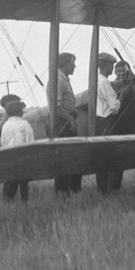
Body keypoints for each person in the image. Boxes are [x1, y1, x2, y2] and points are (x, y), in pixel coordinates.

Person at [94, 53, 124, 194]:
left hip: (100, 123)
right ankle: (113, 190)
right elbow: (114, 107)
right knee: (115, 158)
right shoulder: (104, 82)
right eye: (111, 65)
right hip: (108, 122)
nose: (112, 69)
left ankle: (103, 190)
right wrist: (123, 93)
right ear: (105, 65)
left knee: (103, 159)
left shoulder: (97, 81)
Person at [53, 52, 82, 195]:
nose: (74, 66)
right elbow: (56, 108)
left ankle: (72, 189)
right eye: (72, 63)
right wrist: (70, 119)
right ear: (65, 64)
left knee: (73, 156)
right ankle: (63, 192)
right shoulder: (57, 80)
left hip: (67, 119)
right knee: (65, 158)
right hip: (63, 122)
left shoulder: (63, 79)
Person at [0, 96, 34, 202]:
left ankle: (7, 201)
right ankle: (24, 202)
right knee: (23, 183)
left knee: (10, 181)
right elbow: (30, 141)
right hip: (23, 157)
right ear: (19, 111)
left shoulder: (5, 125)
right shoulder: (25, 123)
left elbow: (3, 142)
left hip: (10, 157)